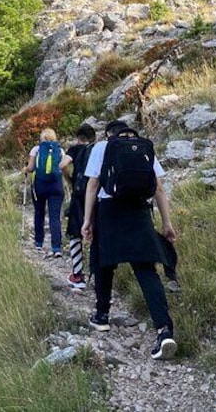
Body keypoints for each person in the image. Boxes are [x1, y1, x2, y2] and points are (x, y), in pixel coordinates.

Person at [81, 120, 178, 360]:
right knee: (146, 270)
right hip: (139, 210)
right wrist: (167, 224)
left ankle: (102, 316)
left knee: (105, 263)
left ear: (108, 134)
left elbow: (93, 185)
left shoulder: (102, 147)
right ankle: (164, 330)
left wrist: (87, 220)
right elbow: (159, 189)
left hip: (109, 210)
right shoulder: (142, 148)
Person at [58, 123, 96, 290]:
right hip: (96, 195)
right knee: (98, 234)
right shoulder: (98, 149)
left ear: (77, 138)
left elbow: (62, 165)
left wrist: (70, 179)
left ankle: (78, 275)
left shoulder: (74, 149)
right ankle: (98, 276)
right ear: (93, 138)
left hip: (79, 195)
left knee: (75, 234)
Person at [25, 128, 65, 257]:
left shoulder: (36, 150)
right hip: (56, 186)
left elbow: (31, 168)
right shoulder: (60, 150)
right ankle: (56, 248)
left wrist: (24, 169)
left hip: (39, 186)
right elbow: (63, 169)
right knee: (55, 217)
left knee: (39, 213)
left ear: (41, 138)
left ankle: (38, 243)